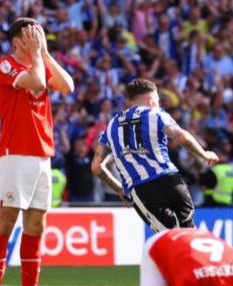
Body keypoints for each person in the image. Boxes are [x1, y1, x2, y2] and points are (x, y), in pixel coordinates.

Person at [0, 18, 74, 286]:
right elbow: (36, 82)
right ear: (17, 42)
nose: (37, 38)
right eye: (31, 35)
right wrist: (38, 57)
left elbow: (67, 86)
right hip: (15, 152)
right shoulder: (5, 65)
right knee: (7, 219)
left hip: (42, 153)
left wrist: (45, 54)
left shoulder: (40, 62)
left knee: (36, 222)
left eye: (39, 34)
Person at [91, 79, 218, 232]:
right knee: (190, 234)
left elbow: (96, 167)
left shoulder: (111, 126)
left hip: (142, 189)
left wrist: (119, 189)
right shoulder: (156, 114)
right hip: (171, 181)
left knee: (169, 239)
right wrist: (203, 154)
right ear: (151, 100)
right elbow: (181, 136)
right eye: (157, 101)